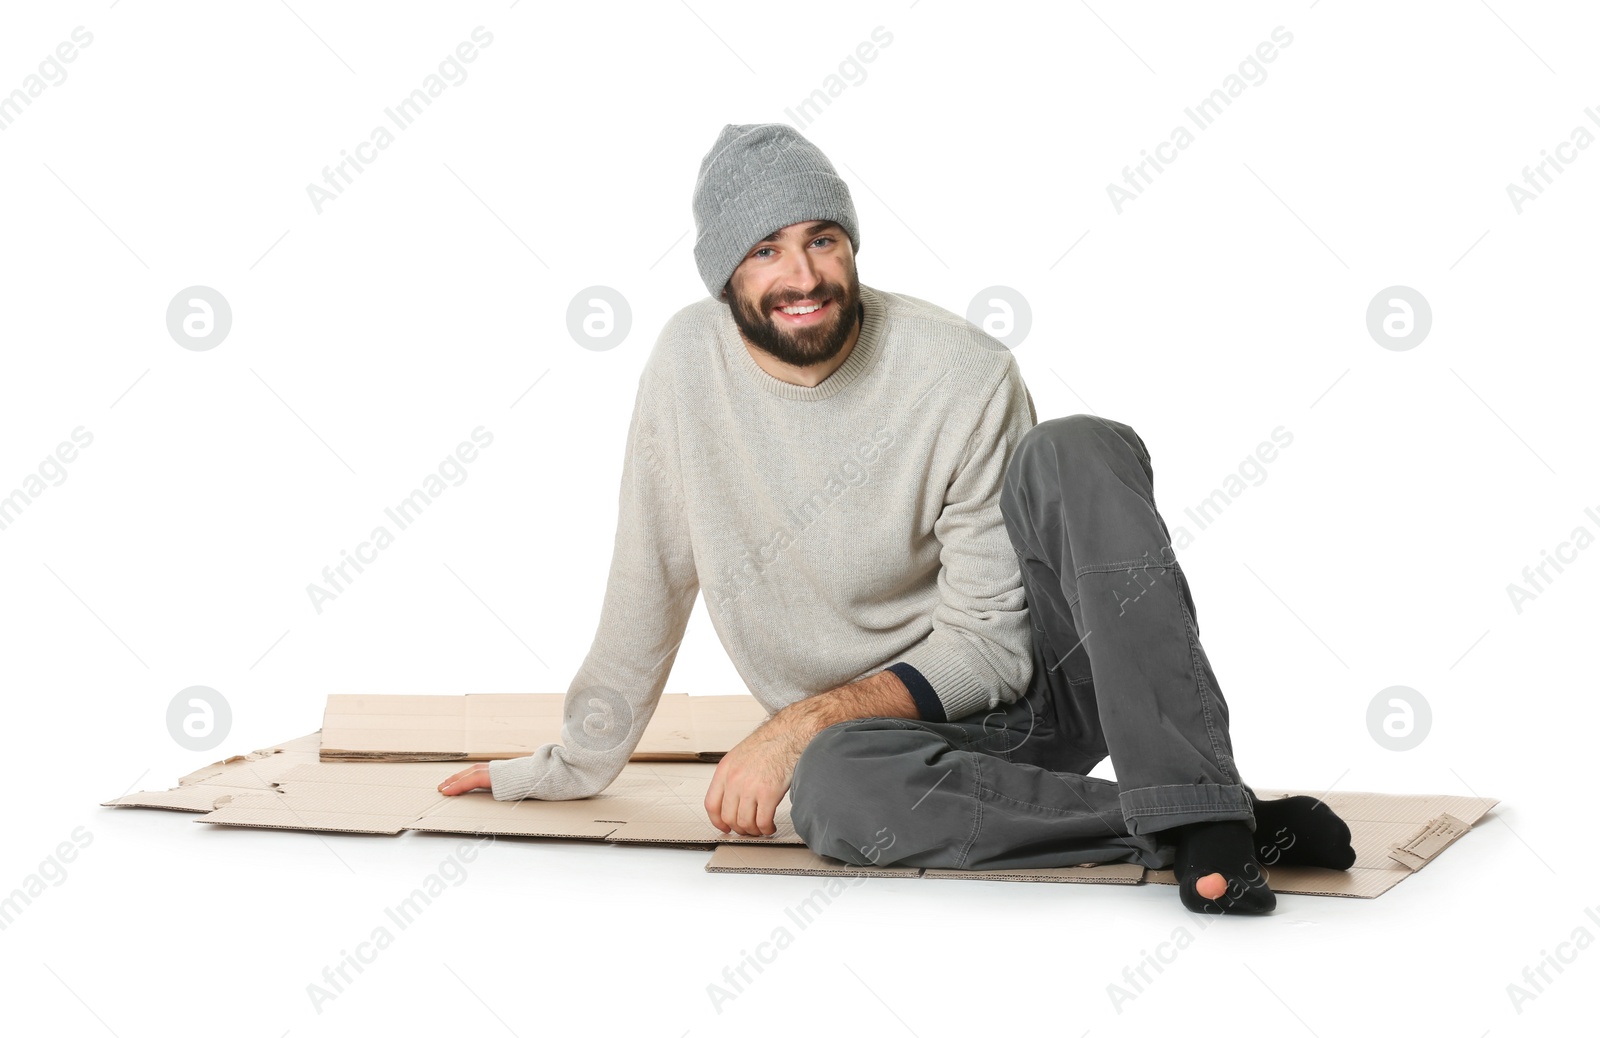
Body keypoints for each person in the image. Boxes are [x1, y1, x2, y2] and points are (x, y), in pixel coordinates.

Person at [439, 122, 1356, 914]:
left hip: (1041, 685)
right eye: (764, 250)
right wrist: (565, 765)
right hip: (883, 746)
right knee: (836, 792)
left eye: (823, 239)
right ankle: (1207, 822)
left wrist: (790, 727)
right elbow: (648, 579)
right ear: (723, 275)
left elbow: (994, 648)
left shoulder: (961, 370)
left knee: (1077, 445)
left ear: (853, 246)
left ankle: (1191, 793)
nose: (801, 275)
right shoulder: (686, 367)